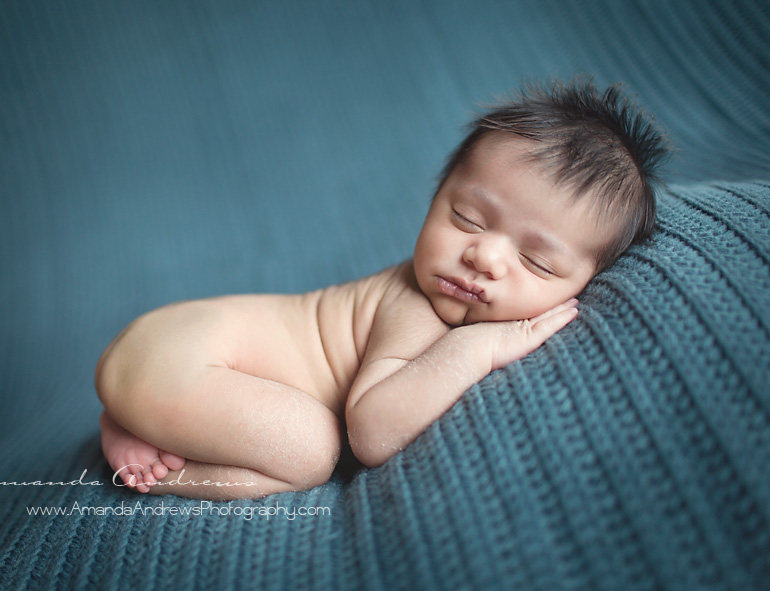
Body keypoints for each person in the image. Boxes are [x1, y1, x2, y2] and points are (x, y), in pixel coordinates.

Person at [95, 79, 670, 500]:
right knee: (308, 451)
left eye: (536, 261)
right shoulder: (417, 307)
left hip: (168, 349)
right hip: (180, 353)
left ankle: (138, 418)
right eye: (466, 218)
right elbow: (371, 430)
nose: (484, 255)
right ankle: (155, 464)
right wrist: (478, 349)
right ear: (435, 194)